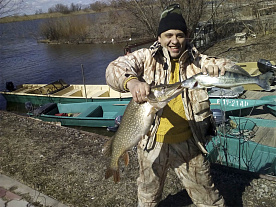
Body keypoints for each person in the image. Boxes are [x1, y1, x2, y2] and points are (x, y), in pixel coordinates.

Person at [106, 4, 233, 207]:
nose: (174, 41)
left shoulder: (198, 60)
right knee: (147, 199)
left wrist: (217, 67)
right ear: (160, 38)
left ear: (187, 36)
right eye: (168, 35)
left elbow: (226, 66)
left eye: (180, 35)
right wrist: (132, 82)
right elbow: (114, 68)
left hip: (189, 144)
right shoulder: (146, 57)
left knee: (210, 201)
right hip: (151, 146)